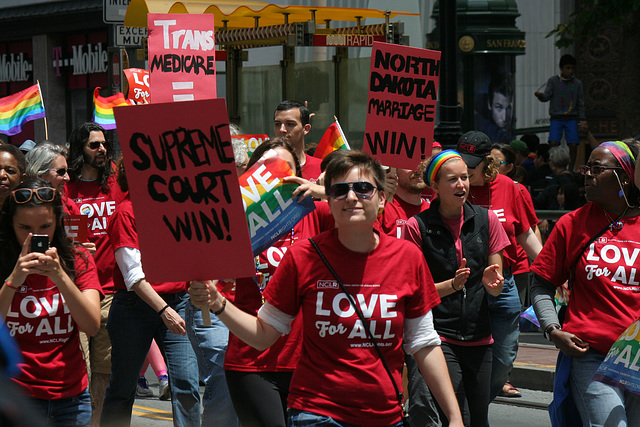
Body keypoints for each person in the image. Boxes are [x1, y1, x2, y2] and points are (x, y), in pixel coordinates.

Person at [190, 151, 464, 427]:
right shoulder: (303, 257)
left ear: (382, 198)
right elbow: (263, 335)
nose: (351, 197)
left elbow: (424, 343)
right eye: (339, 190)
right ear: (328, 199)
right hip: (316, 412)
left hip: (384, 415)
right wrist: (219, 304)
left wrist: (454, 417)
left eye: (363, 188)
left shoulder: (408, 258)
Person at [191, 137, 332, 427]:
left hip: (307, 360)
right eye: (266, 168)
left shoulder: (317, 214)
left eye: (285, 168)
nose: (276, 176)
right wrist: (203, 291)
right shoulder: (234, 222)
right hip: (250, 359)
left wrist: (324, 191)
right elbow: (206, 272)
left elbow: (364, 211)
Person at [531, 140, 640, 425]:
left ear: (625, 177)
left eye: (597, 169)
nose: (587, 174)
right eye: (586, 167)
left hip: (637, 360)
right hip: (590, 355)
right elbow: (541, 283)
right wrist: (553, 329)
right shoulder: (572, 223)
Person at [405, 150, 509, 426]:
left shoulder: (488, 220)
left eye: (465, 178)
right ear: (435, 186)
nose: (461, 185)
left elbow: (496, 286)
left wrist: (492, 284)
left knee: (479, 419)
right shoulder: (418, 227)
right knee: (455, 417)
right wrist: (452, 285)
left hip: (480, 336)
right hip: (440, 337)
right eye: (452, 180)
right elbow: (417, 292)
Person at [101, 157, 200, 427]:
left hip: (178, 302)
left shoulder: (178, 206)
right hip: (134, 308)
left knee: (187, 385)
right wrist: (164, 310)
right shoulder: (126, 212)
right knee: (123, 389)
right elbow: (133, 275)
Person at [0, 179, 102, 426]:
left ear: (59, 222)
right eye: (24, 227)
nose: (36, 236)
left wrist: (60, 276)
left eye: (46, 226)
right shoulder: (4, 262)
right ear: (10, 224)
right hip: (17, 397)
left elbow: (92, 325)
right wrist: (14, 279)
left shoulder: (78, 259)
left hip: (71, 400)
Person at [456, 131, 543, 401]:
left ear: (487, 162)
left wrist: (551, 271)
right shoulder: (453, 186)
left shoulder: (509, 187)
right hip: (463, 285)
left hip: (502, 283)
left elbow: (527, 235)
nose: (466, 170)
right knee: (465, 357)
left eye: (472, 164)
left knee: (503, 359)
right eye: (462, 162)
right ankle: (473, 413)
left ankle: (479, 404)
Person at [65, 122, 125, 426]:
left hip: (112, 293)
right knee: (83, 372)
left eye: (104, 144)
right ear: (80, 149)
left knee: (104, 373)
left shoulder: (115, 182)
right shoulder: (65, 187)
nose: (102, 149)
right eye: (94, 145)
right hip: (77, 292)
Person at [535, 54, 587, 172]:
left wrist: (582, 119)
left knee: (573, 144)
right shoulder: (553, 81)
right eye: (568, 68)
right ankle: (553, 166)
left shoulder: (577, 83)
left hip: (571, 118)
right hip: (556, 118)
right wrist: (540, 96)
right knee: (553, 143)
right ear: (561, 68)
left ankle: (571, 168)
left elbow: (580, 102)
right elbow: (546, 97)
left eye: (572, 68)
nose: (570, 71)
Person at [25, 142, 80, 215]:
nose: (67, 178)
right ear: (40, 174)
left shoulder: (69, 206)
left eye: (67, 171)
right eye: (61, 172)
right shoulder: (19, 205)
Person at [379, 163, 431, 238]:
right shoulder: (382, 208)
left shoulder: (434, 211)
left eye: (422, 166)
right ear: (394, 170)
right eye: (410, 165)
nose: (417, 171)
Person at [273, 100, 322, 180]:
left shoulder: (322, 169)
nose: (282, 129)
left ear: (306, 129)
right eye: (277, 124)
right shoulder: (261, 168)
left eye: (290, 124)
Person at [476, 70, 514, 144]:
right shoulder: (483, 128)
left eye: (509, 108)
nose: (505, 118)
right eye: (499, 108)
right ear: (489, 104)